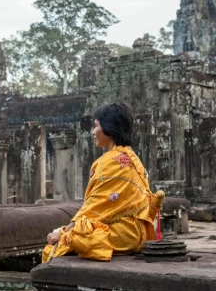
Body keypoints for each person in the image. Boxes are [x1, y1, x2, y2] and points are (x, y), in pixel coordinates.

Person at [42, 102, 164, 263]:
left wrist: (64, 233)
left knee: (59, 246)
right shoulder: (134, 159)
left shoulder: (107, 162)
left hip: (122, 236)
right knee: (68, 236)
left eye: (96, 126)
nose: (93, 132)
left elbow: (93, 207)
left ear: (109, 128)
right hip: (139, 232)